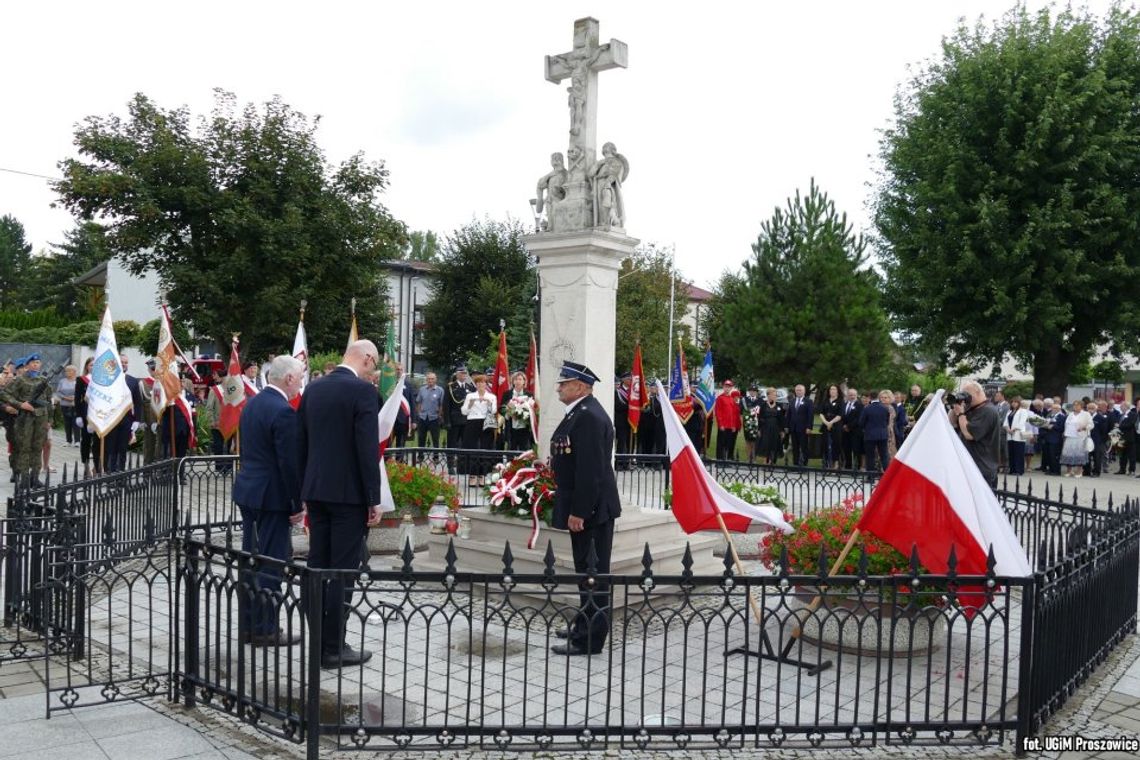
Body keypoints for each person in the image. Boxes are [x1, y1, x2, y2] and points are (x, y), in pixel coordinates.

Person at [298, 339, 383, 669]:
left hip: (317, 491)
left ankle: (318, 639)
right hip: (348, 496)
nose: (372, 370)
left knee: (317, 567)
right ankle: (333, 647)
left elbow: (300, 442)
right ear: (365, 358)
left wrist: (304, 488)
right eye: (373, 364)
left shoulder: (314, 389)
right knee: (343, 573)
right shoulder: (361, 392)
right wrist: (373, 498)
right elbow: (366, 450)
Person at [548, 361, 621, 656]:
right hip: (588, 506)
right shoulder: (579, 413)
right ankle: (584, 623)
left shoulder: (588, 416)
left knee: (593, 574)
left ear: (581, 387)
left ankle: (589, 640)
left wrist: (579, 511)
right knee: (586, 572)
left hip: (592, 510)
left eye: (564, 384)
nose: (559, 387)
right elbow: (572, 457)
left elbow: (591, 471)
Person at [232, 355, 305, 647]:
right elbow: (289, 464)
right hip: (271, 497)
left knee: (251, 559)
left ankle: (250, 623)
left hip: (249, 491)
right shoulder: (283, 411)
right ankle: (265, 628)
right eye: (300, 377)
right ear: (288, 378)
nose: (301, 382)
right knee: (271, 564)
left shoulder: (254, 403)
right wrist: (296, 504)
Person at [949, 381, 1003, 488]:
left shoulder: (988, 411)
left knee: (982, 504)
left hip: (982, 468)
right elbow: (953, 423)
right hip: (968, 466)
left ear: (978, 392)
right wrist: (954, 406)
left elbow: (969, 434)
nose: (966, 398)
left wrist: (961, 413)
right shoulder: (970, 409)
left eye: (968, 395)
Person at [460, 374, 497, 484]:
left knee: (485, 448)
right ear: (476, 384)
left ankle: (483, 475)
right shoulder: (470, 396)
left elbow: (494, 411)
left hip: (486, 423)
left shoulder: (492, 396)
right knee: (472, 448)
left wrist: (489, 404)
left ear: (486, 384)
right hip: (472, 422)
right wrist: (470, 404)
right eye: (478, 382)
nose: (481, 384)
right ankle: (472, 475)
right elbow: (464, 411)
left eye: (483, 382)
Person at [500, 371, 536, 451]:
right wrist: (508, 412)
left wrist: (525, 414)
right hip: (511, 428)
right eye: (515, 379)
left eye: (520, 379)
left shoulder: (529, 394)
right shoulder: (507, 394)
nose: (518, 381)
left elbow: (534, 409)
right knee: (511, 449)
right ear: (512, 381)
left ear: (524, 382)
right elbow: (501, 409)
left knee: (524, 449)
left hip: (525, 428)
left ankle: (524, 463)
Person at [1059, 400, 1092, 478]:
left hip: (1080, 437)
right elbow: (1066, 424)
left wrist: (1084, 428)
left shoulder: (1086, 414)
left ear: (1082, 406)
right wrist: (1065, 432)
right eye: (1074, 405)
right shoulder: (1070, 414)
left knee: (1079, 454)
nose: (1075, 407)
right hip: (1070, 436)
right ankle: (1069, 470)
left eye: (1077, 405)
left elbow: (1091, 425)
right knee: (1068, 453)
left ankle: (1079, 471)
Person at [860, 390, 891, 473]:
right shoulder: (885, 408)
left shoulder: (867, 408)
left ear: (869, 397)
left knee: (870, 456)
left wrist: (865, 428)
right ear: (878, 397)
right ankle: (887, 475)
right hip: (882, 434)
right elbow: (887, 421)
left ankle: (871, 476)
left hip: (870, 435)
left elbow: (861, 422)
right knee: (884, 455)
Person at [444, 366, 475, 448]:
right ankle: (450, 460)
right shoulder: (451, 387)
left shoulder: (471, 387)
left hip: (467, 420)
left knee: (465, 443)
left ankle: (462, 460)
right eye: (461, 373)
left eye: (465, 374)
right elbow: (446, 405)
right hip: (454, 420)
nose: (464, 375)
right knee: (452, 443)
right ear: (457, 375)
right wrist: (447, 421)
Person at [713, 380, 742, 460]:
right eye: (726, 387)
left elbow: (733, 414)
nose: (727, 388)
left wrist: (733, 425)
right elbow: (718, 412)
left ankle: (725, 459)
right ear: (723, 387)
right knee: (721, 443)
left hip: (730, 426)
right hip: (723, 425)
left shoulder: (731, 399)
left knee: (728, 444)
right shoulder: (720, 398)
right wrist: (720, 424)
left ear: (731, 388)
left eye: (729, 387)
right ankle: (719, 459)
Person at [415, 371, 445, 448]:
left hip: (434, 418)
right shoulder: (422, 389)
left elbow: (442, 404)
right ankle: (420, 457)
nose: (430, 380)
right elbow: (419, 402)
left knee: (435, 439)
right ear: (426, 380)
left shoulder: (440, 390)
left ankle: (436, 458)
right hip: (423, 417)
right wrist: (418, 414)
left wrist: (439, 416)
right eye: (428, 379)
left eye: (432, 379)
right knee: (421, 438)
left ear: (436, 379)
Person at [786, 384, 812, 467]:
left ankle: (804, 464)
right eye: (797, 390)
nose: (798, 392)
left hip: (803, 428)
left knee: (803, 447)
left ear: (804, 391)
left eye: (800, 390)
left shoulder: (808, 401)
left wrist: (809, 427)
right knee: (795, 447)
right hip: (793, 428)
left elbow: (810, 415)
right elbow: (789, 414)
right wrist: (787, 426)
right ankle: (796, 464)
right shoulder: (792, 401)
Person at [818, 384, 844, 469]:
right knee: (825, 444)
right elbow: (821, 413)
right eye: (831, 389)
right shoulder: (825, 401)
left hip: (836, 425)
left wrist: (831, 422)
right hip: (825, 425)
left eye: (834, 389)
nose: (832, 391)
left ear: (837, 391)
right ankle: (826, 462)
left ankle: (835, 463)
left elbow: (840, 415)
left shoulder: (840, 401)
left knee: (836, 444)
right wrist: (826, 422)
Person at [757, 387, 784, 465]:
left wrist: (782, 430)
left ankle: (773, 461)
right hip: (766, 428)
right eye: (773, 395)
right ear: (768, 395)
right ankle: (766, 460)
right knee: (766, 444)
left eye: (775, 395)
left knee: (775, 444)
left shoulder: (779, 406)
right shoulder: (763, 405)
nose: (775, 396)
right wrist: (759, 429)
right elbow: (760, 417)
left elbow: (781, 419)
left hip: (776, 428)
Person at [1005, 395, 1029, 477]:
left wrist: (1014, 429)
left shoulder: (1023, 411)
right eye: (1012, 402)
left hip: (1018, 434)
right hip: (1010, 434)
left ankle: (1019, 470)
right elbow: (1006, 422)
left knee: (1018, 453)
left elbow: (1021, 423)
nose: (1013, 404)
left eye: (1015, 402)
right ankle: (1012, 469)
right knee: (1011, 453)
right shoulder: (1009, 412)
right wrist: (1007, 428)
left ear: (1019, 403)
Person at [55, 365, 78, 447]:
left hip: (75, 404)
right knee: (67, 422)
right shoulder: (62, 381)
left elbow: (82, 391)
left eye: (69, 371)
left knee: (76, 422)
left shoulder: (78, 381)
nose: (66, 372)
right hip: (64, 404)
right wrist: (65, 397)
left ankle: (77, 441)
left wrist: (75, 397)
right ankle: (68, 441)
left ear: (74, 372)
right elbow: (58, 392)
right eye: (66, 371)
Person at [841, 388, 864, 470]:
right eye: (850, 395)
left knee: (856, 449)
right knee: (846, 448)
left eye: (854, 395)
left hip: (855, 431)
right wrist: (844, 425)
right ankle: (848, 466)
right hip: (845, 431)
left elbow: (858, 419)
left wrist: (849, 426)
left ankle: (857, 467)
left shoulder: (860, 405)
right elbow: (842, 416)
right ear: (847, 395)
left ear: (856, 395)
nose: (852, 396)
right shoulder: (844, 404)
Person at [741, 385, 762, 463]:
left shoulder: (760, 401)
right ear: (749, 391)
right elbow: (741, 412)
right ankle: (748, 458)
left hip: (756, 424)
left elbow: (761, 413)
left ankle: (754, 458)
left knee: (755, 442)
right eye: (751, 391)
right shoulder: (744, 400)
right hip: (747, 424)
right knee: (748, 441)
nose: (752, 392)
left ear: (756, 392)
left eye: (754, 391)